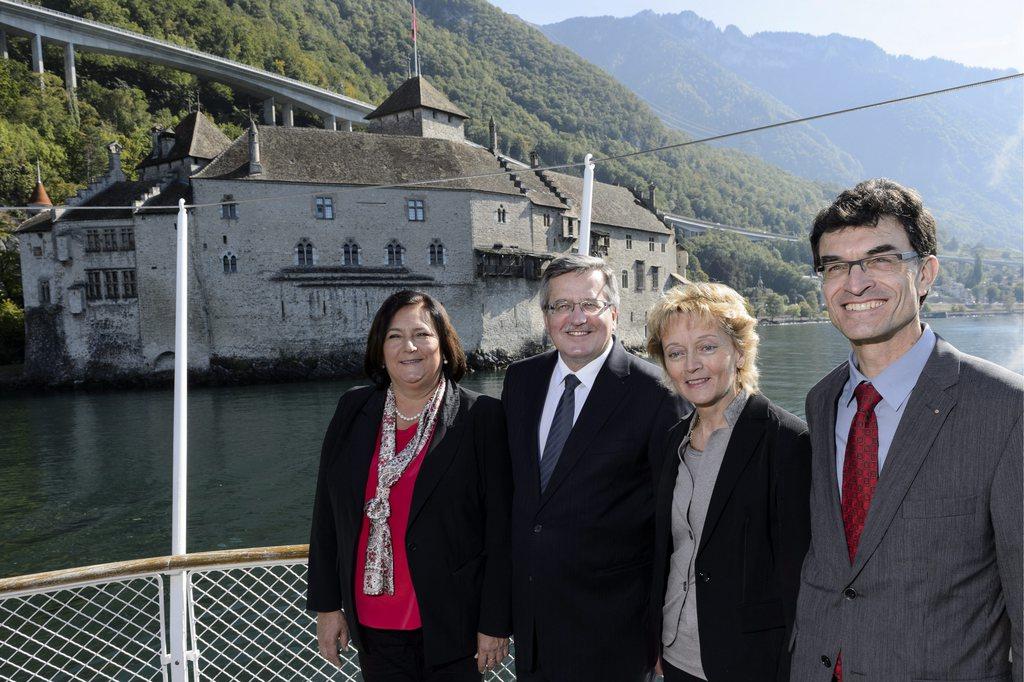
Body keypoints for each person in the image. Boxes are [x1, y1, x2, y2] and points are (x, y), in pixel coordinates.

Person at [790, 179, 1023, 681]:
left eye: (880, 260)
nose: (855, 284)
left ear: (925, 274)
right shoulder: (822, 401)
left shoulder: (1006, 410)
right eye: (835, 266)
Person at [307, 290, 513, 681]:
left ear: (445, 346)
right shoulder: (352, 410)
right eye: (394, 336)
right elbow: (326, 516)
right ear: (380, 350)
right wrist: (327, 606)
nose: (409, 347)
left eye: (422, 334)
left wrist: (495, 622)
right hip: (373, 625)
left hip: (456, 625)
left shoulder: (480, 416)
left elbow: (501, 530)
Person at [501, 254, 688, 682]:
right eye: (561, 306)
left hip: (615, 630)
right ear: (545, 316)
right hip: (533, 627)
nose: (576, 318)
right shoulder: (521, 381)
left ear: (615, 314)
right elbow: (516, 498)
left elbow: (671, 525)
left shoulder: (656, 393)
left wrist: (663, 633)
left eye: (590, 304)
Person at [646, 282, 811, 682]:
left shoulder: (786, 441)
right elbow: (671, 552)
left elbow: (800, 579)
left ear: (739, 351)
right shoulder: (672, 441)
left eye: (707, 347)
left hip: (750, 660)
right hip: (674, 655)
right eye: (676, 353)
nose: (691, 365)